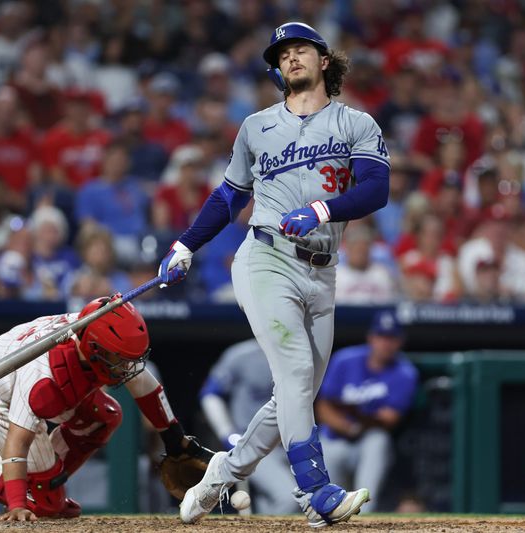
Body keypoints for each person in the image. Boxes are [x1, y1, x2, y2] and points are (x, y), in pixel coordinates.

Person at [158, 22, 389, 527]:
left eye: (301, 49)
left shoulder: (356, 123)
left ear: (324, 60)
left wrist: (325, 211)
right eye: (283, 53)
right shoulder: (256, 126)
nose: (292, 57)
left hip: (323, 270)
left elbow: (377, 188)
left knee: (296, 392)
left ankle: (221, 473)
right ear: (276, 68)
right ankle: (316, 492)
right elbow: (228, 197)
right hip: (267, 257)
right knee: (295, 373)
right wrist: (185, 245)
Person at [0, 297, 210, 521]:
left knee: (104, 418)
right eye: (120, 360)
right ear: (94, 349)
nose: (127, 367)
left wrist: (175, 441)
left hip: (37, 368)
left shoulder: (96, 331)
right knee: (39, 503)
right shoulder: (40, 374)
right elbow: (17, 444)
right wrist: (18, 503)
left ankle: (48, 488)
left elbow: (147, 388)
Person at [315, 311, 419, 512]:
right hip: (335, 438)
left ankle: (364, 513)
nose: (385, 343)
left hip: (368, 440)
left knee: (378, 441)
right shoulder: (344, 360)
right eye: (381, 336)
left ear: (400, 342)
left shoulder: (405, 372)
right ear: (371, 337)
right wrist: (352, 423)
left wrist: (351, 411)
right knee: (328, 457)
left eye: (392, 338)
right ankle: (329, 511)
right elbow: (323, 408)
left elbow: (389, 419)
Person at [199, 339, 297, 514]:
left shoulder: (298, 354)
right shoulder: (241, 355)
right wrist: (227, 433)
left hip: (288, 443)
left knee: (274, 504)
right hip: (255, 443)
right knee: (287, 498)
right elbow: (210, 395)